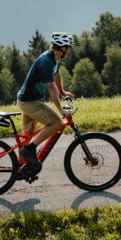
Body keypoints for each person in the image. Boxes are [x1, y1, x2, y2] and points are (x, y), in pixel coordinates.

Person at [15, 31, 75, 174]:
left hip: (29, 100)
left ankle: (20, 169)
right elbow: (50, 87)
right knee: (57, 123)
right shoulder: (46, 61)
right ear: (63, 47)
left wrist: (63, 92)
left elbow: (57, 75)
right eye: (69, 47)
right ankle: (29, 151)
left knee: (27, 135)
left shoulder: (54, 58)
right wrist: (60, 109)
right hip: (30, 102)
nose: (70, 50)